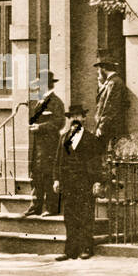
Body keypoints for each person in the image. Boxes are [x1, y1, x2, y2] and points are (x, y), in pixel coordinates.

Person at [52, 104, 102, 260]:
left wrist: (97, 181)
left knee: (86, 216)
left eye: (78, 116)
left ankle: (86, 248)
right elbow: (58, 160)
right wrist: (56, 179)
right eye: (72, 116)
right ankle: (70, 250)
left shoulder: (91, 139)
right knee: (70, 217)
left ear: (84, 118)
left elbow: (96, 162)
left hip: (85, 183)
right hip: (68, 184)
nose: (75, 119)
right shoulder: (63, 138)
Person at [25, 71, 65, 217]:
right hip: (37, 146)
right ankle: (36, 206)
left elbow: (60, 122)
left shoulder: (55, 102)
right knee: (37, 175)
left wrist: (40, 127)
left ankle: (51, 207)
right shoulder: (40, 101)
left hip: (49, 146)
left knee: (48, 175)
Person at [93, 57, 129, 156]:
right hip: (109, 127)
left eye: (98, 69)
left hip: (110, 128)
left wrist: (101, 126)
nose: (98, 72)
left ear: (103, 68)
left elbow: (110, 106)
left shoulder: (113, 83)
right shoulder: (111, 82)